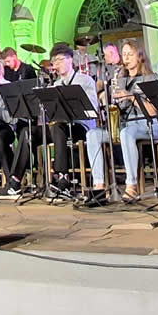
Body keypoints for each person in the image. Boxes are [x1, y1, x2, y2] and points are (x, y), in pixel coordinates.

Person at [47, 42, 109, 203]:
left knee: (59, 127)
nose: (57, 64)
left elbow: (92, 109)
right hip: (63, 126)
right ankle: (61, 177)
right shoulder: (55, 85)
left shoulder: (85, 80)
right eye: (54, 61)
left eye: (60, 60)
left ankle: (62, 177)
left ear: (70, 60)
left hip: (81, 126)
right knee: (51, 128)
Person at [114, 40, 158, 202]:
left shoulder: (151, 78)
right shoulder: (120, 81)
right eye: (124, 54)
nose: (126, 58)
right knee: (93, 135)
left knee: (127, 133)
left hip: (148, 124)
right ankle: (99, 186)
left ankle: (131, 185)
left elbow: (154, 111)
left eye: (130, 54)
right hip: (125, 124)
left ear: (140, 56)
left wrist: (130, 96)